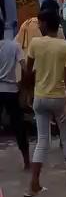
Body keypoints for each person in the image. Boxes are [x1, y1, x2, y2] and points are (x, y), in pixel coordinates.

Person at [25, 10, 66, 197]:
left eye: (40, 23)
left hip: (40, 98)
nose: (38, 26)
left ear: (46, 24)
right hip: (58, 98)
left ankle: (34, 184)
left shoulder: (35, 44)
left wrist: (27, 92)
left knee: (42, 141)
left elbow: (28, 70)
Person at [0, 19, 30, 169]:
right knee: (18, 125)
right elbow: (25, 69)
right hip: (11, 91)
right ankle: (26, 162)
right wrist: (23, 87)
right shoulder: (14, 46)